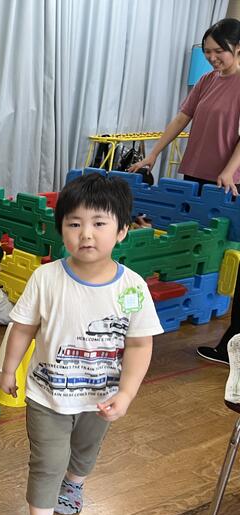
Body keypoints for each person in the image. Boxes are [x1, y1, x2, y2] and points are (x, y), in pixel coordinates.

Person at [0, 173, 163, 515]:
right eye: (74, 223)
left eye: (99, 223)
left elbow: (139, 345)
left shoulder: (132, 289)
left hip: (100, 398)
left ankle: (74, 484)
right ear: (62, 230)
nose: (86, 234)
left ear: (122, 231)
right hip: (47, 395)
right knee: (46, 463)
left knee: (85, 452)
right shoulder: (46, 278)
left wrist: (126, 394)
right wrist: (8, 369)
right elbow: (22, 328)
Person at [128, 18, 240, 366]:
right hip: (194, 176)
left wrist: (228, 169)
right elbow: (181, 119)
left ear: (238, 48)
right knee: (191, 246)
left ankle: (232, 344)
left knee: (231, 255)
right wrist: (153, 154)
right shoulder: (206, 81)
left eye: (219, 51)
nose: (212, 58)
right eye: (207, 52)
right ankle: (187, 309)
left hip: (228, 184)